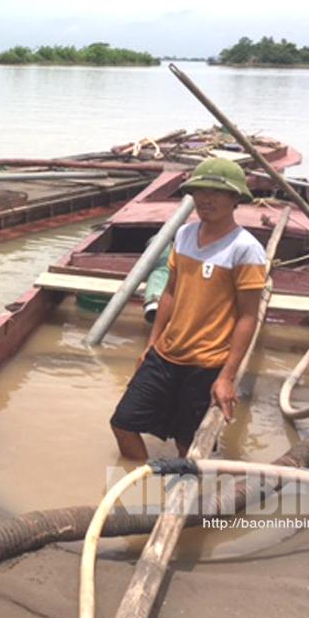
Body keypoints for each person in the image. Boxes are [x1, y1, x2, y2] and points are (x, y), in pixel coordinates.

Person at [109, 157, 266, 460]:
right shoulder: (184, 235)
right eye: (200, 191)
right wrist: (152, 344)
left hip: (207, 362)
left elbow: (248, 316)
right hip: (166, 354)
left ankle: (181, 489)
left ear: (235, 198)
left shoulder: (245, 249)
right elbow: (169, 292)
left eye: (217, 192)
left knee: (188, 446)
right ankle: (141, 481)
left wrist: (226, 377)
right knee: (123, 423)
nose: (206, 199)